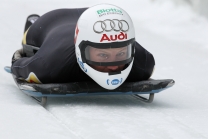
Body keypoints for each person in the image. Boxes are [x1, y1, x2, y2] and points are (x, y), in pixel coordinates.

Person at [11, 4, 155, 90]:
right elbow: (18, 66)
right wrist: (22, 57)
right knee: (29, 36)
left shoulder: (143, 62)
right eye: (103, 55)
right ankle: (33, 22)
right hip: (51, 21)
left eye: (121, 54)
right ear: (81, 51)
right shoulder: (49, 65)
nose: (113, 67)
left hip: (98, 19)